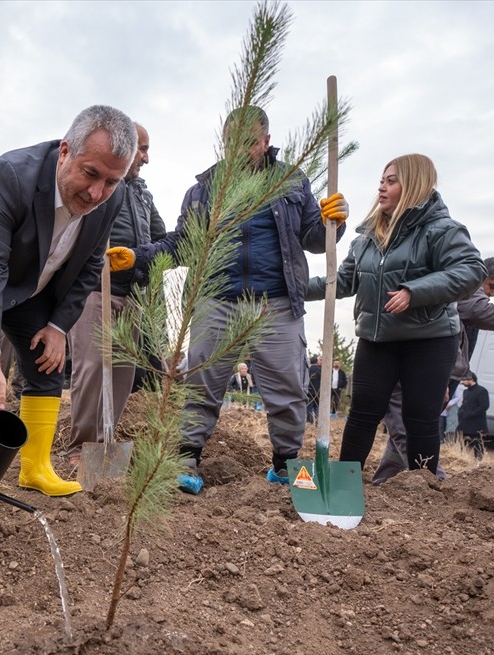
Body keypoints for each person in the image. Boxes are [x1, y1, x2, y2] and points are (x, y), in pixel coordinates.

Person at [0, 105, 136, 521]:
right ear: (66, 151)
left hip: (31, 275)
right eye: (90, 174)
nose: (96, 193)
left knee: (47, 360)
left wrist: (57, 326)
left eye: (111, 181)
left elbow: (90, 264)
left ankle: (35, 468)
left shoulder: (113, 196)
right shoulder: (12, 174)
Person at [115, 106, 349, 492]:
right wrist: (138, 257)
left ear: (267, 141)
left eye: (250, 143)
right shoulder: (204, 189)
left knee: (287, 388)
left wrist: (332, 222)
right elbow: (183, 244)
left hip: (275, 303)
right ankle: (186, 458)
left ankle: (285, 463)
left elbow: (313, 237)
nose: (240, 151)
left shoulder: (291, 181)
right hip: (216, 301)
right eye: (232, 143)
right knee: (202, 382)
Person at [308, 153, 485, 476]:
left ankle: (423, 488)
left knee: (420, 417)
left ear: (414, 185)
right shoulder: (368, 237)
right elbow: (343, 281)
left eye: (391, 181)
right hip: (378, 337)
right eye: (381, 181)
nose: (382, 188)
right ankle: (345, 482)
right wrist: (292, 288)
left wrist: (414, 291)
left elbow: (472, 270)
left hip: (428, 339)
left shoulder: (441, 230)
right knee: (363, 412)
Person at [372, 256, 494, 483]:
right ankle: (435, 482)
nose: (491, 293)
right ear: (480, 277)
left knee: (407, 429)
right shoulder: (464, 289)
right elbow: (476, 310)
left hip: (441, 372)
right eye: (491, 286)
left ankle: (385, 479)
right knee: (410, 430)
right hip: (422, 370)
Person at [66, 122, 166, 464]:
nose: (146, 157)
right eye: (142, 148)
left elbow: (161, 237)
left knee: (124, 369)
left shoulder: (142, 195)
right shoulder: (101, 187)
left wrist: (143, 261)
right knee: (93, 366)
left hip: (132, 292)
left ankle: (106, 441)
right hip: (96, 288)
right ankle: (81, 446)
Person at [456, 372, 490, 459]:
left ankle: (478, 461)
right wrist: (461, 412)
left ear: (471, 380)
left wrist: (471, 414)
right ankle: (460, 457)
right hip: (465, 421)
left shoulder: (482, 391)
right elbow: (465, 404)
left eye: (464, 380)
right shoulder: (466, 391)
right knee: (458, 437)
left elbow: (484, 406)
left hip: (476, 423)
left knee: (477, 442)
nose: (462, 382)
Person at [306, 355, 322, 423]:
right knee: (316, 406)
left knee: (309, 406)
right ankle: (317, 419)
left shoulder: (307, 370)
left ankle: (310, 420)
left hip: (309, 390)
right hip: (318, 391)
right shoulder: (320, 370)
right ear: (316, 361)